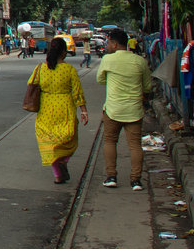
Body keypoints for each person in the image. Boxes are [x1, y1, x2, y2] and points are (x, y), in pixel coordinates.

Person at [97, 27, 154, 189]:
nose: (107, 46)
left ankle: (111, 176)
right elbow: (147, 87)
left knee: (109, 141)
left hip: (113, 109)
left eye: (108, 43)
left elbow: (100, 80)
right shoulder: (139, 61)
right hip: (134, 110)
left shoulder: (107, 60)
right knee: (135, 145)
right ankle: (136, 180)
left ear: (114, 44)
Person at [31, 36, 89, 184]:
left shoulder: (41, 68)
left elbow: (31, 84)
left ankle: (57, 174)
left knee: (50, 142)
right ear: (64, 52)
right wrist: (83, 111)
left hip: (46, 109)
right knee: (69, 138)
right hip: (65, 108)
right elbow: (77, 92)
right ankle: (63, 161)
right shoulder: (69, 69)